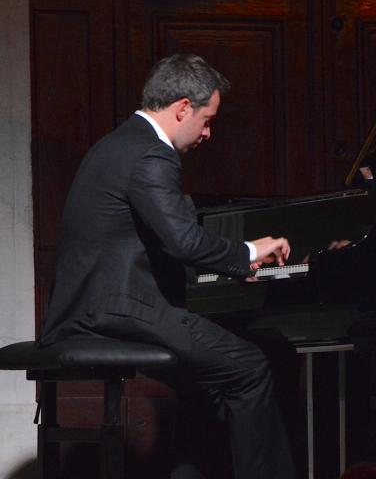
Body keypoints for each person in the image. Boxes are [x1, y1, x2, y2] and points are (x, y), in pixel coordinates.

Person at [40, 53, 296, 479]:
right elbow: (184, 241)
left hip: (95, 305)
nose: (208, 132)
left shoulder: (117, 143)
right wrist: (250, 252)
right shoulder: (151, 156)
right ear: (182, 108)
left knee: (208, 376)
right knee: (250, 367)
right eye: (208, 119)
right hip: (119, 308)